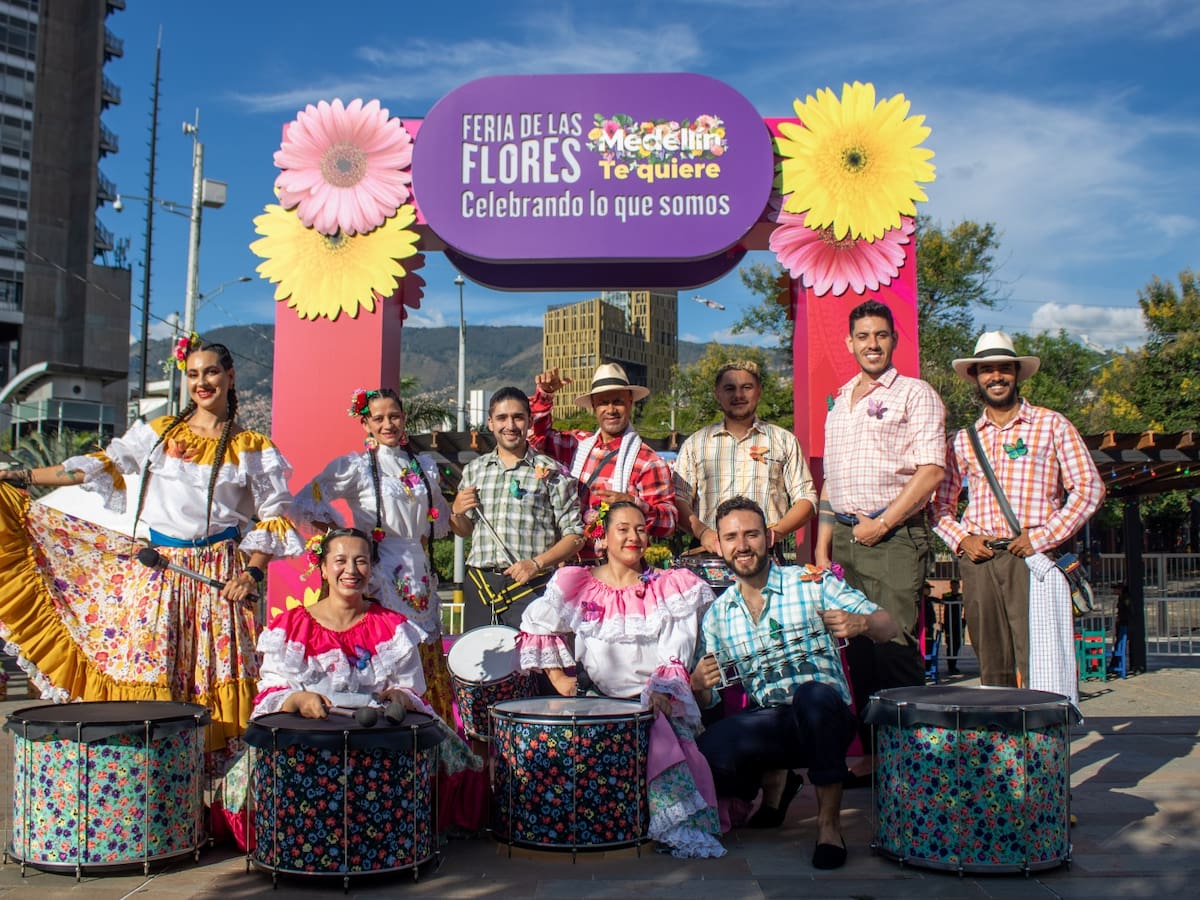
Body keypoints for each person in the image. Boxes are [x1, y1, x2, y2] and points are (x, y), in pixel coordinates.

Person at [0, 337, 302, 754]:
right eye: (194, 374)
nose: (203, 382)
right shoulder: (158, 435)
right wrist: (22, 478)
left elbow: (274, 516)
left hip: (218, 579)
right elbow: (97, 468)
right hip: (160, 571)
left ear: (230, 377)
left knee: (217, 679)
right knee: (153, 671)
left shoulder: (252, 448)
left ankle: (213, 799)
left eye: (211, 372)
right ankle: (159, 785)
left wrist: (251, 572)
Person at [691, 497, 898, 870]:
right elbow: (709, 699)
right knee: (709, 752)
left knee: (812, 696)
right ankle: (777, 785)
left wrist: (861, 624)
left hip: (825, 715)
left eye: (751, 534)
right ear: (719, 545)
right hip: (772, 723)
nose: (742, 546)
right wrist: (699, 685)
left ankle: (828, 827)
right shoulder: (719, 615)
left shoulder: (809, 582)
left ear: (769, 537)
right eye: (732, 537)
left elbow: (890, 625)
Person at [515, 501, 724, 858]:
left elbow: (676, 649)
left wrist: (661, 693)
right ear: (604, 537)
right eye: (623, 529)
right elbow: (536, 621)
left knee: (667, 749)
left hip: (654, 707)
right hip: (599, 707)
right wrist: (558, 678)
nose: (633, 537)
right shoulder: (576, 582)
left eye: (640, 529)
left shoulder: (669, 586)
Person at [814, 299, 945, 783]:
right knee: (859, 650)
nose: (872, 344)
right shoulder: (840, 400)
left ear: (893, 340)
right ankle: (874, 759)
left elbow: (931, 471)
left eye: (881, 335)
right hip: (846, 538)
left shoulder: (916, 394)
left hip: (891, 538)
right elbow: (832, 479)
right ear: (849, 343)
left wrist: (884, 523)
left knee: (894, 647)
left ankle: (915, 767)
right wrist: (824, 545)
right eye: (863, 336)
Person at [933, 331, 1104, 695]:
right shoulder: (963, 440)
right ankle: (1000, 748)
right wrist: (962, 539)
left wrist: (1041, 537)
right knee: (991, 663)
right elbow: (939, 505)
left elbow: (1090, 489)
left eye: (1003, 369)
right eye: (987, 370)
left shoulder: (1052, 424)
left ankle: (1042, 747)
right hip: (980, 559)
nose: (996, 377)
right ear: (976, 378)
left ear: (1017, 373)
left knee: (1041, 659)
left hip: (1034, 558)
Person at [291, 387, 455, 721]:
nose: (387, 424)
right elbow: (305, 501)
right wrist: (341, 538)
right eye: (378, 418)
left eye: (393, 416)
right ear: (365, 423)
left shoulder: (423, 467)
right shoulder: (358, 468)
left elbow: (439, 521)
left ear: (404, 418)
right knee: (384, 656)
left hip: (418, 571)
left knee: (422, 657)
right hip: (378, 572)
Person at [451, 386, 584, 630]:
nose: (510, 425)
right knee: (479, 665)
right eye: (502, 418)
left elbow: (575, 536)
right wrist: (456, 512)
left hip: (532, 586)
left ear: (529, 422)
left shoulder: (552, 471)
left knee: (532, 667)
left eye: (518, 417)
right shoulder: (474, 470)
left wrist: (536, 564)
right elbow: (464, 529)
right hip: (481, 586)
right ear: (490, 423)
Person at [529, 362, 676, 561]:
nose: (611, 409)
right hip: (570, 563)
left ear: (630, 402)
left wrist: (633, 505)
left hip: (618, 568)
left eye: (618, 401)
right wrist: (544, 395)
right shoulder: (576, 445)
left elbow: (669, 522)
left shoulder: (648, 461)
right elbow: (536, 439)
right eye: (603, 403)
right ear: (594, 407)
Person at [673, 359, 817, 554]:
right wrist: (704, 533)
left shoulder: (784, 440)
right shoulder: (696, 444)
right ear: (717, 394)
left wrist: (775, 533)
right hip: (710, 552)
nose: (739, 395)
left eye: (747, 387)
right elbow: (678, 499)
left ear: (759, 391)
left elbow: (806, 498)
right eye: (730, 388)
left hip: (768, 551)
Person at [940, 578, 964, 675]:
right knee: (950, 645)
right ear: (950, 586)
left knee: (957, 644)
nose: (954, 587)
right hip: (949, 623)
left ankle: (954, 665)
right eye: (953, 585)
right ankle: (951, 667)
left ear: (959, 586)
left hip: (958, 623)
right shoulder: (947, 595)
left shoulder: (961, 596)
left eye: (956, 585)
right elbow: (944, 599)